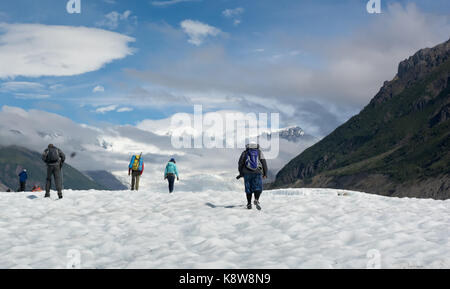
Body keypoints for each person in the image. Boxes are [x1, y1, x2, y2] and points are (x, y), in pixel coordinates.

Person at [238, 141, 268, 210]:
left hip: (247, 173)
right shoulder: (259, 152)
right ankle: (256, 199)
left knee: (248, 188)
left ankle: (249, 203)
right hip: (257, 172)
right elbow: (264, 163)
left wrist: (241, 173)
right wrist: (265, 173)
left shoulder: (245, 152)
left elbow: (240, 163)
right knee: (258, 187)